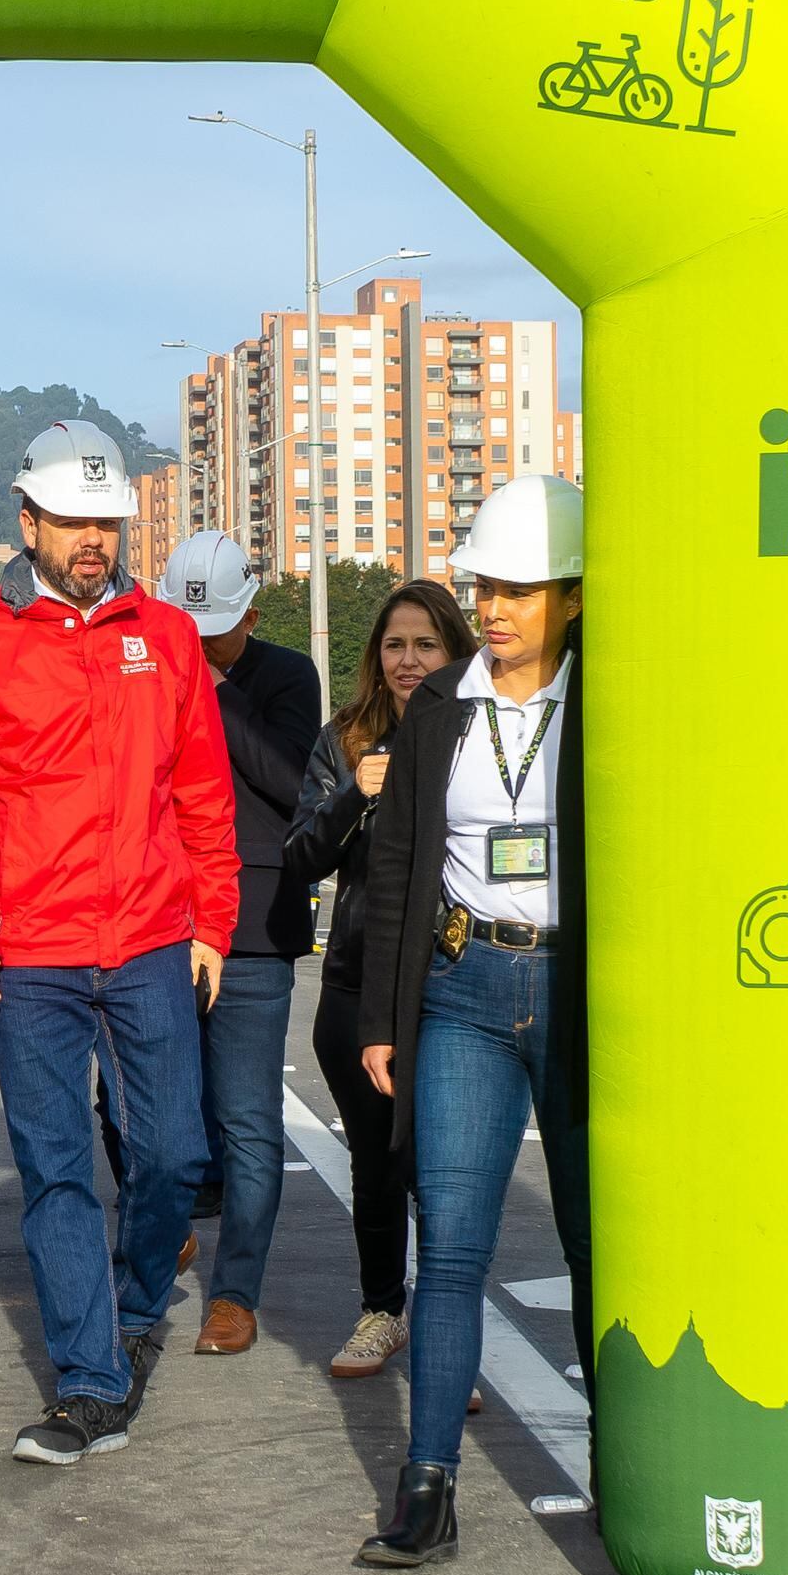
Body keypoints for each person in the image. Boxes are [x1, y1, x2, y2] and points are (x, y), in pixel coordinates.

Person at [0, 419, 241, 1469]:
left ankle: (140, 1300)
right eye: (70, 520)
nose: (91, 539)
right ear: (27, 523)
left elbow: (202, 793)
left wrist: (213, 924)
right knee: (55, 1171)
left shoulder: (168, 638)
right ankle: (90, 1380)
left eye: (105, 520)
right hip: (28, 957)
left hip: (150, 938)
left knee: (172, 1153)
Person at [351, 480, 590, 1568]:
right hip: (461, 994)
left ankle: (622, 1465)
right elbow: (396, 865)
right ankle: (427, 1485)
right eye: (484, 585)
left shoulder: (608, 701)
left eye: (519, 589)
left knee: (600, 1247)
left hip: (582, 996)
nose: (493, 606)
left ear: (572, 597)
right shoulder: (439, 701)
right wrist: (377, 1019)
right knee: (447, 1249)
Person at [281, 576, 466, 1379]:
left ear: (454, 649)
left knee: (444, 1166)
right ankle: (382, 1312)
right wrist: (354, 795)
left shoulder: (480, 732)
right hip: (357, 986)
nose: (409, 659)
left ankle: (446, 1339)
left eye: (426, 643)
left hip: (454, 981)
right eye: (395, 644)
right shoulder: (346, 739)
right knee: (375, 1164)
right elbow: (299, 857)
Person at [156, 530, 322, 1357]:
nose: (194, 643)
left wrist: (208, 694)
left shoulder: (287, 674)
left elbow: (295, 785)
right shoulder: (139, 663)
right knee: (139, 1104)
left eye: (212, 629)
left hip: (254, 923)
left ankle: (235, 1292)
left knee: (249, 1119)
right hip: (154, 910)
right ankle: (167, 1224)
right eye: (182, 630)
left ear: (251, 612)